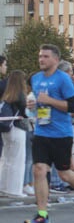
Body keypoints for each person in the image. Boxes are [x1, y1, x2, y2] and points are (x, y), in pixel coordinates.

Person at [24, 44, 74, 223]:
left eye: (46, 56)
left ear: (56, 60)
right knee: (39, 170)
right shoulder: (36, 79)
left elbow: (73, 106)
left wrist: (49, 101)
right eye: (40, 56)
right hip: (41, 132)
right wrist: (34, 105)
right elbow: (40, 102)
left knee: (64, 174)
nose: (41, 59)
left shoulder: (63, 79)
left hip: (61, 134)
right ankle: (42, 214)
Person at [0, 69, 29, 197]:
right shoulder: (21, 96)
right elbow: (25, 113)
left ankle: (4, 187)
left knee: (6, 160)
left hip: (6, 129)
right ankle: (15, 190)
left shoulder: (7, 96)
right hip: (17, 129)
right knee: (18, 160)